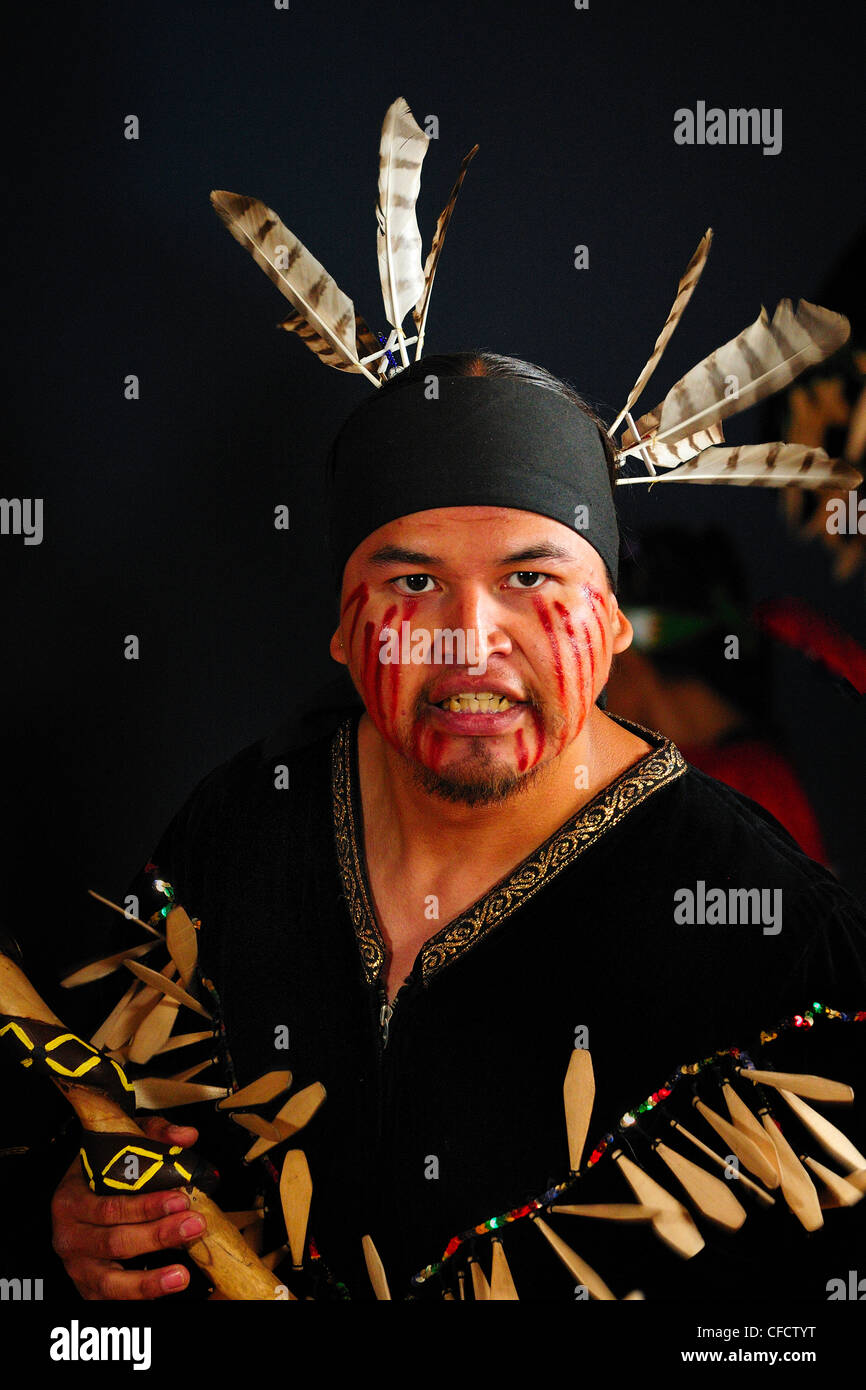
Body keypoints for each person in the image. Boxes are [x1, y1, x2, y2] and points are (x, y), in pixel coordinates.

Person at [48, 354, 866, 1302]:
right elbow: (109, 1126)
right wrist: (82, 1220)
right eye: (413, 585)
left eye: (528, 577)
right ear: (342, 631)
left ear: (611, 622)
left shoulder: (785, 953)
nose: (470, 642)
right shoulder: (239, 826)